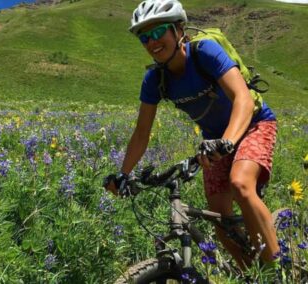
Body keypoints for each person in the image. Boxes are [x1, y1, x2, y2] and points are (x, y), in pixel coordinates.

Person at [104, 0, 280, 270]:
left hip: (253, 124)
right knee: (218, 215)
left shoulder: (204, 52)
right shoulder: (154, 80)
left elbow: (242, 98)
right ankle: (251, 274)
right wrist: (123, 174)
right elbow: (141, 133)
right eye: (144, 37)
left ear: (178, 29)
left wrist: (228, 142)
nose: (151, 42)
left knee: (241, 184)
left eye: (158, 31)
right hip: (214, 142)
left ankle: (279, 271)